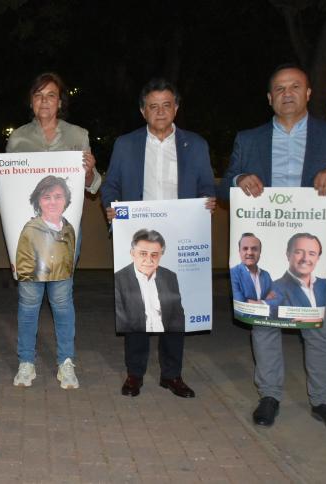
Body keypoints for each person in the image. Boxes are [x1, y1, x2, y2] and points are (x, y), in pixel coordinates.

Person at [221, 63, 326, 434]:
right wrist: (239, 179)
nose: (287, 93)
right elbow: (225, 187)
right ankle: (269, 395)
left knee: (319, 328)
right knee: (264, 325)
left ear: (308, 93)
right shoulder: (249, 139)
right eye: (280, 89)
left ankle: (323, 400)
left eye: (295, 87)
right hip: (267, 252)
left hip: (314, 254)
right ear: (269, 98)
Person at [101, 78, 216, 399]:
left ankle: (172, 374)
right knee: (137, 305)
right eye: (153, 106)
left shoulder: (197, 144)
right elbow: (111, 187)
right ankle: (134, 373)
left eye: (167, 105)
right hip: (138, 236)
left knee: (173, 306)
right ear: (143, 111)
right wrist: (111, 208)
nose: (160, 111)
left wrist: (208, 201)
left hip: (180, 237)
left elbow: (208, 185)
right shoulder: (126, 144)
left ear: (176, 108)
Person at [0, 72, 101, 390]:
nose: (45, 101)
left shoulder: (78, 134)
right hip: (30, 236)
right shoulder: (19, 137)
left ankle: (66, 362)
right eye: (38, 95)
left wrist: (89, 171)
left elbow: (93, 186)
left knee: (63, 300)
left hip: (65, 235)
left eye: (51, 95)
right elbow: (9, 185)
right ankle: (26, 362)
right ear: (31, 102)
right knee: (28, 300)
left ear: (60, 101)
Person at [114, 230, 184, 340]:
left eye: (154, 255)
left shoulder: (170, 276)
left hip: (166, 332)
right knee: (136, 347)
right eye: (143, 254)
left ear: (161, 255)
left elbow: (177, 315)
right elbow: (122, 319)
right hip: (136, 334)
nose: (149, 260)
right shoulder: (119, 279)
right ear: (132, 253)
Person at [16, 176, 76, 281]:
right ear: (38, 201)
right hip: (34, 286)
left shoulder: (69, 229)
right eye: (47, 197)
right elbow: (25, 271)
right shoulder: (30, 230)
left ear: (65, 200)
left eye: (58, 197)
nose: (53, 202)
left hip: (62, 284)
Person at [271, 233, 326, 310]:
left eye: (312, 254)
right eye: (298, 252)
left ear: (318, 258)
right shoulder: (274, 289)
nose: (305, 258)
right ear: (288, 254)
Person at [230, 233, 275, 304]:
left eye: (254, 249)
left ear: (260, 252)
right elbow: (239, 303)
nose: (250, 252)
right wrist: (264, 303)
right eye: (245, 248)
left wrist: (250, 301)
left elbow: (276, 299)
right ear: (239, 251)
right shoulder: (232, 273)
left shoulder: (266, 275)